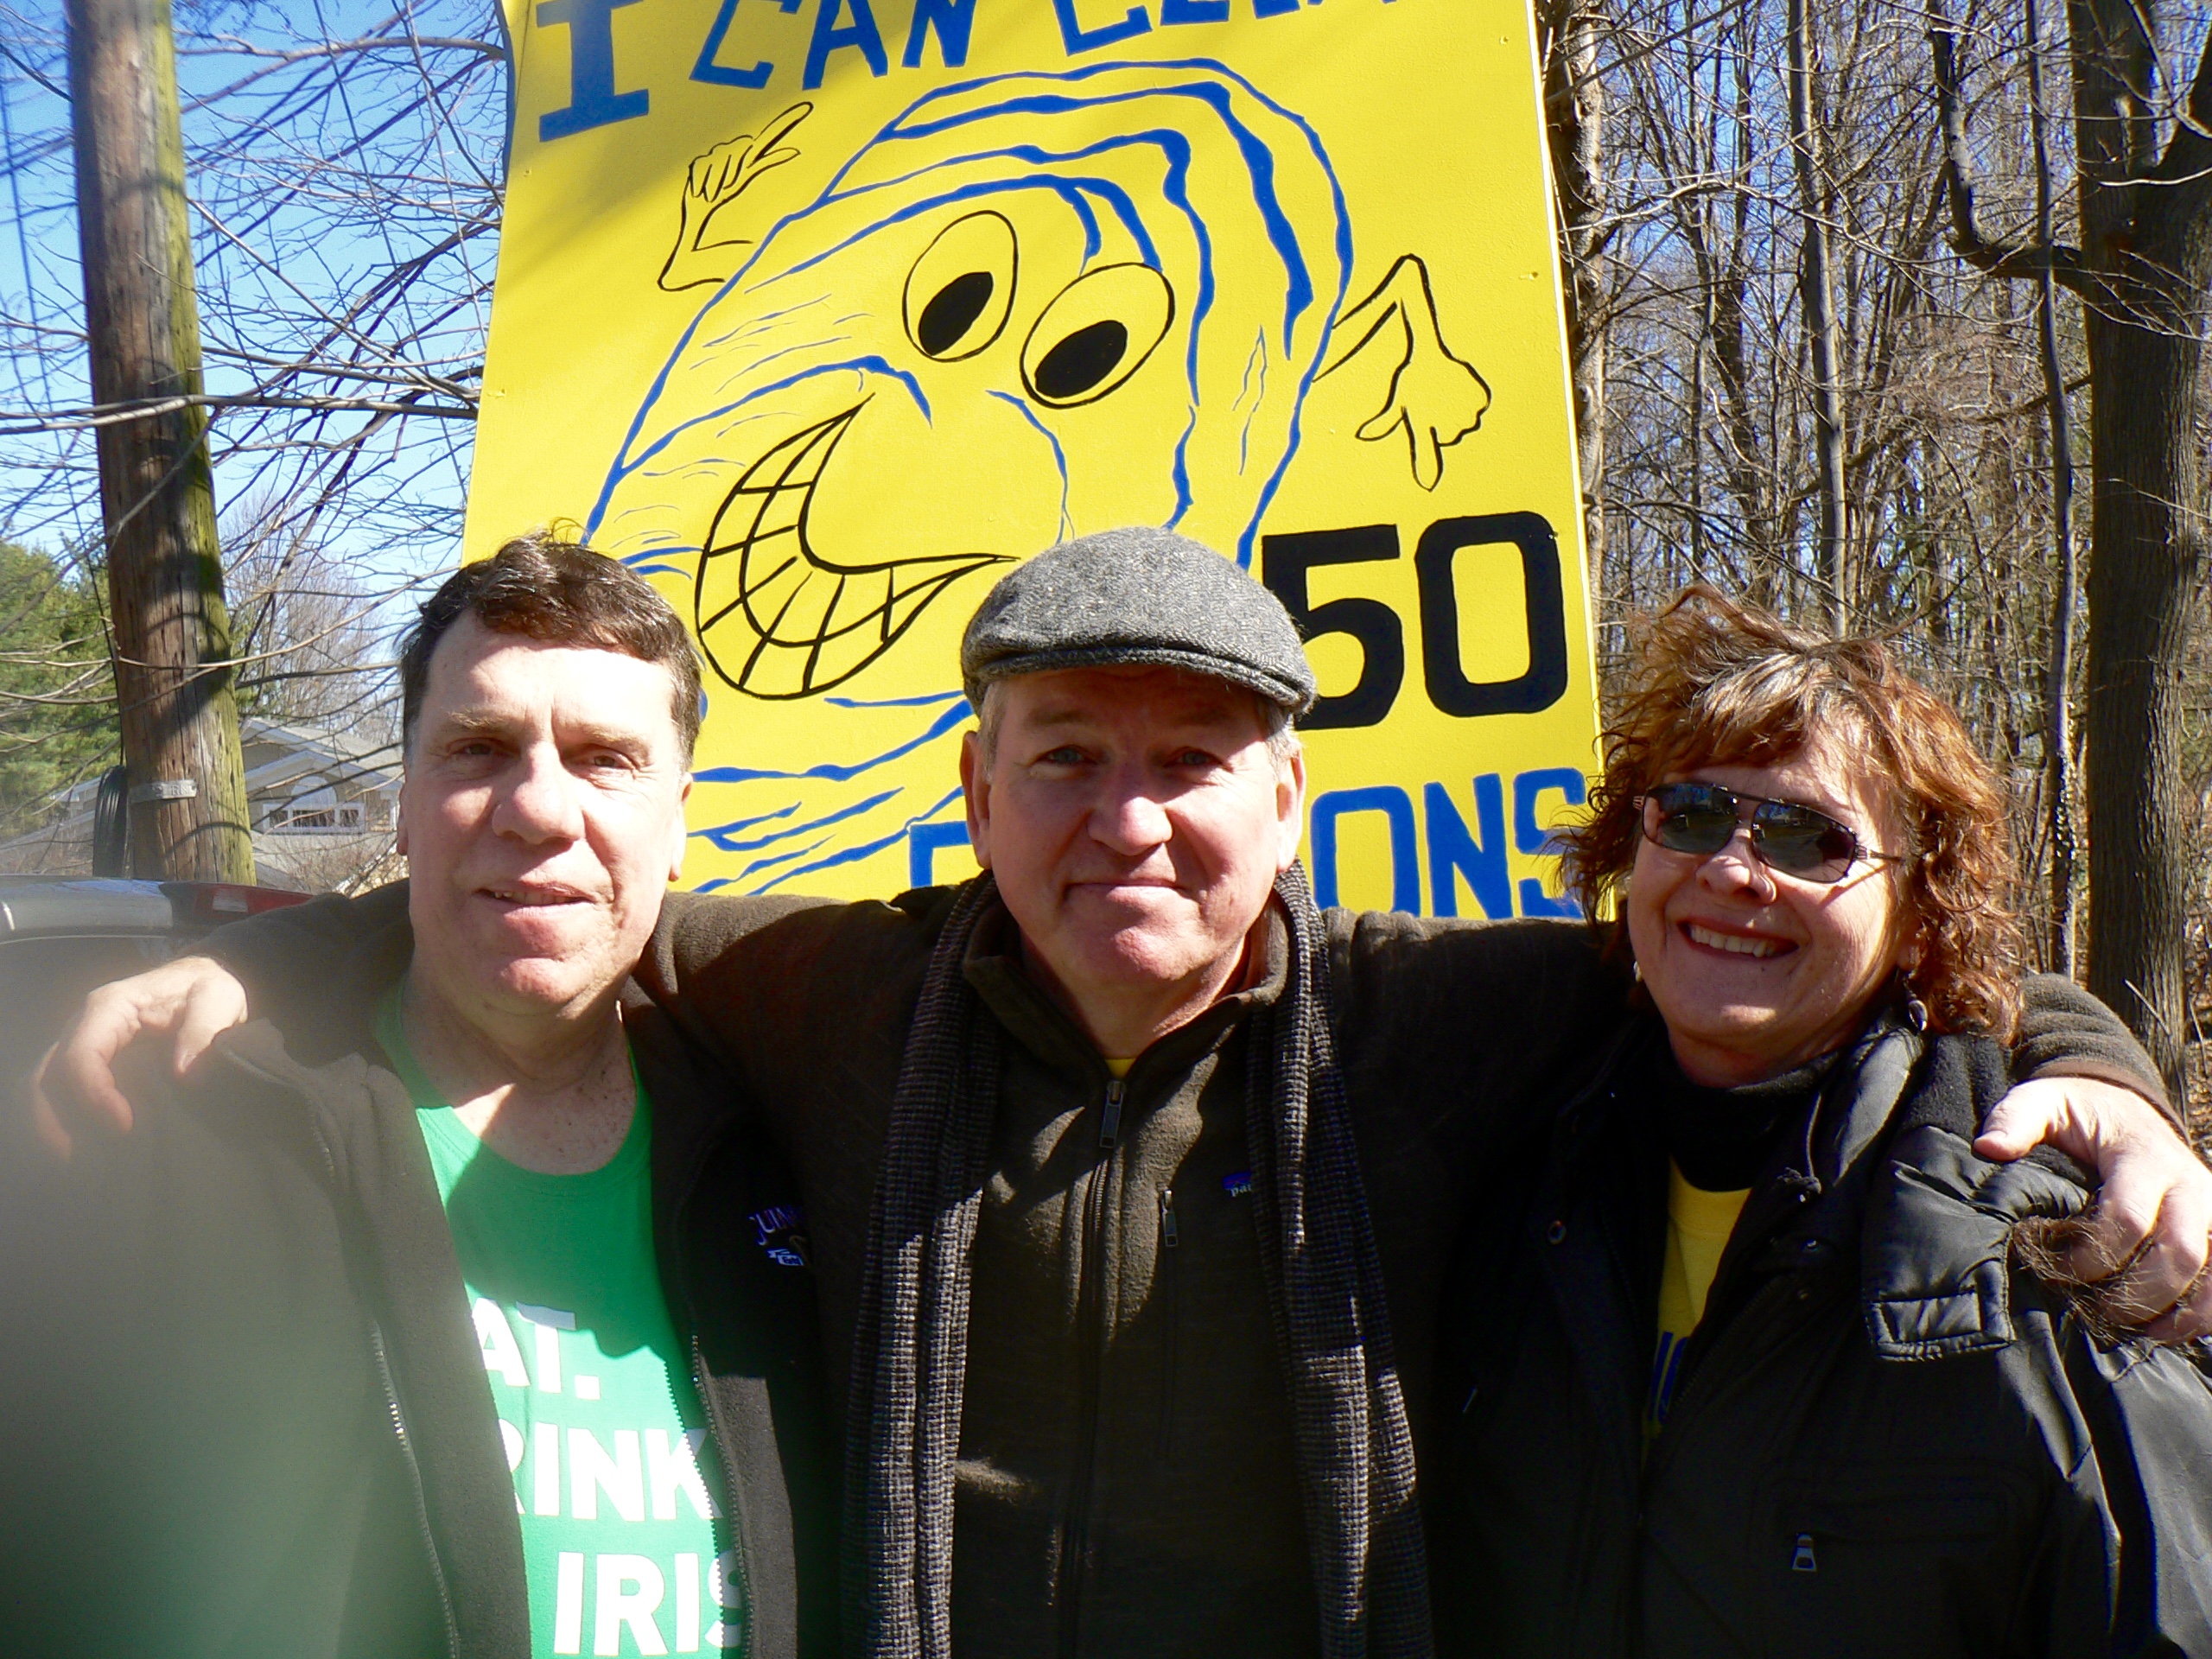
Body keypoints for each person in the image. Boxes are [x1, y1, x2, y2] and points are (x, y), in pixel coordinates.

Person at [32, 533, 2206, 1659]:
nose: (1128, 820)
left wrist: (2093, 1075)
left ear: (1286, 802)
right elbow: (553, 897)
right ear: (977, 793)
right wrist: (273, 956)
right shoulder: (835, 995)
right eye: (1064, 757)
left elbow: (1798, 964)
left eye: (1190, 763)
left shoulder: (1433, 1020)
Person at [0, 537, 837, 1659]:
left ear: (679, 819)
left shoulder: (785, 1136)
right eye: (478, 748)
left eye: (604, 759)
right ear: (404, 802)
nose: (537, 809)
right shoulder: (176, 1128)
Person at [1428, 588, 2212, 1656]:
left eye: (1808, 840)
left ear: (1919, 912)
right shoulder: (1505, 1169)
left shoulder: (2049, 1256)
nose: (1732, 869)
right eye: (1690, 814)